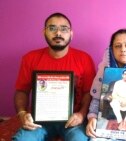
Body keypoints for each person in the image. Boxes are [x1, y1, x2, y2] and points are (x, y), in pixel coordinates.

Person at [12, 12, 96, 141]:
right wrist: (22, 114)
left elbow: (88, 93)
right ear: (44, 32)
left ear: (71, 34)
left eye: (64, 29)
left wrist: (81, 114)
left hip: (72, 120)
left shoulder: (84, 59)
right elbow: (21, 91)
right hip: (39, 121)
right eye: (52, 28)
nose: (58, 33)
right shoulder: (30, 58)